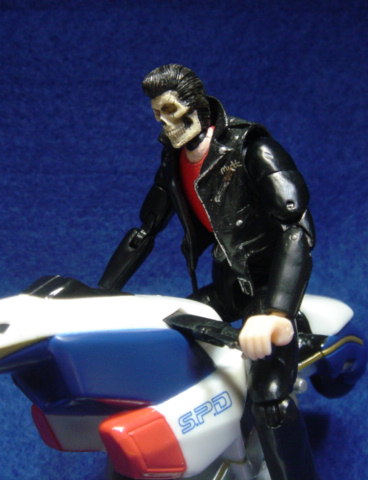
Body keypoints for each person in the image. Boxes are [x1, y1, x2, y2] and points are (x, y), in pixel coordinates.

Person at [99, 64, 318, 480]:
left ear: (196, 105)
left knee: (271, 400)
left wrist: (276, 313)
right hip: (226, 284)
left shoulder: (253, 149)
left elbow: (297, 228)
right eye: (157, 114)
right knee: (163, 333)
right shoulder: (174, 160)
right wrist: (102, 292)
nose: (164, 123)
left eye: (170, 110)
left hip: (267, 288)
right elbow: (145, 230)